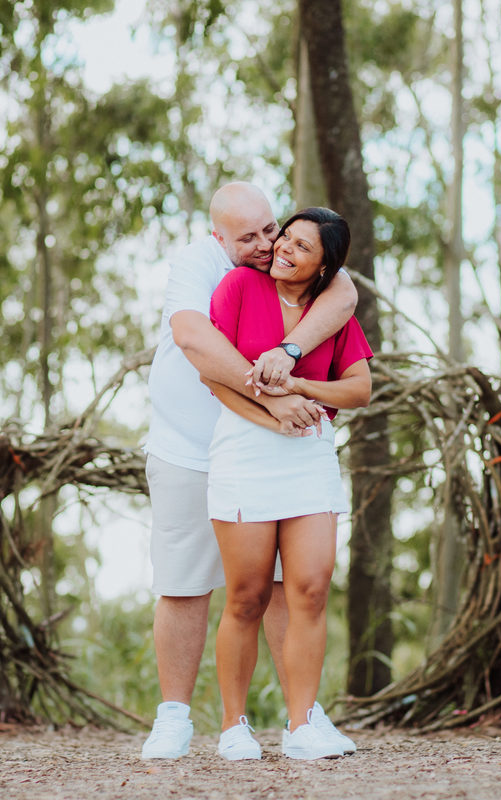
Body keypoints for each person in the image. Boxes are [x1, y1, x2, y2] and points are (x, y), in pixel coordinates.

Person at [141, 184, 359, 759]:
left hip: (277, 455)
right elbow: (194, 340)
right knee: (188, 584)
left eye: (272, 229)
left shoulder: (297, 267)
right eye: (249, 237)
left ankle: (303, 719)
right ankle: (175, 719)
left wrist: (288, 359)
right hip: (189, 448)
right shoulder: (203, 265)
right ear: (218, 238)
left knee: (293, 587)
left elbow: (344, 294)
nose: (266, 245)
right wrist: (272, 402)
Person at [204, 207, 371, 761]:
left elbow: (358, 390)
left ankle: (302, 726)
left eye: (303, 247)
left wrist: (301, 385)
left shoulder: (333, 313)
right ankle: (233, 726)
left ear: (325, 268)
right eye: (287, 239)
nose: (284, 250)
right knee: (248, 596)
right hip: (244, 452)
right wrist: (274, 413)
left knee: (310, 590)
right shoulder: (238, 286)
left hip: (310, 457)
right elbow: (215, 377)